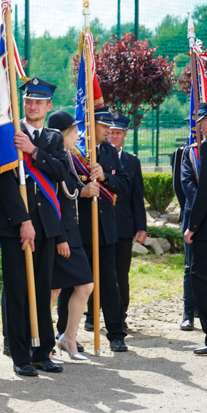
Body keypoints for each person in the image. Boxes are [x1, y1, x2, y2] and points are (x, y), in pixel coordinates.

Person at [0, 77, 68, 377]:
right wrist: (23, 221)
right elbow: (4, 183)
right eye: (28, 100)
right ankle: (20, 354)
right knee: (18, 292)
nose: (32, 105)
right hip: (17, 228)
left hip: (47, 227)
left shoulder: (52, 139)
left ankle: (42, 352)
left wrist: (34, 151)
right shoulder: (9, 134)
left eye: (38, 101)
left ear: (49, 106)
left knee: (42, 290)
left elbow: (63, 172)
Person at [79, 107, 131, 352]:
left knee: (110, 284)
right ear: (91, 124)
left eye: (111, 125)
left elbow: (124, 184)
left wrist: (105, 179)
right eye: (104, 125)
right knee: (74, 284)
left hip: (106, 230)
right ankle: (65, 333)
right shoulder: (76, 150)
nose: (110, 130)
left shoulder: (109, 151)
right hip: (81, 230)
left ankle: (116, 333)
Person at [47, 110, 94, 362]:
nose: (78, 135)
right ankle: (45, 344)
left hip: (71, 231)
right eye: (74, 131)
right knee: (53, 292)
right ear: (63, 133)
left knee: (86, 285)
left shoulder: (68, 157)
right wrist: (60, 237)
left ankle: (68, 336)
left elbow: (74, 190)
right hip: (60, 233)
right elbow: (54, 201)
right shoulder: (54, 158)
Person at [108, 112, 147, 332]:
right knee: (99, 271)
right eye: (110, 132)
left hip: (123, 226)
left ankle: (120, 314)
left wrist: (141, 227)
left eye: (117, 133)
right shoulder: (96, 157)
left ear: (124, 135)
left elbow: (136, 197)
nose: (113, 136)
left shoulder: (132, 161)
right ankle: (92, 314)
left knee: (121, 272)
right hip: (100, 225)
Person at [179, 104, 206, 331]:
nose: (201, 124)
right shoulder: (189, 152)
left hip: (201, 220)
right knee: (191, 268)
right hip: (194, 217)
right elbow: (187, 186)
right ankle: (189, 312)